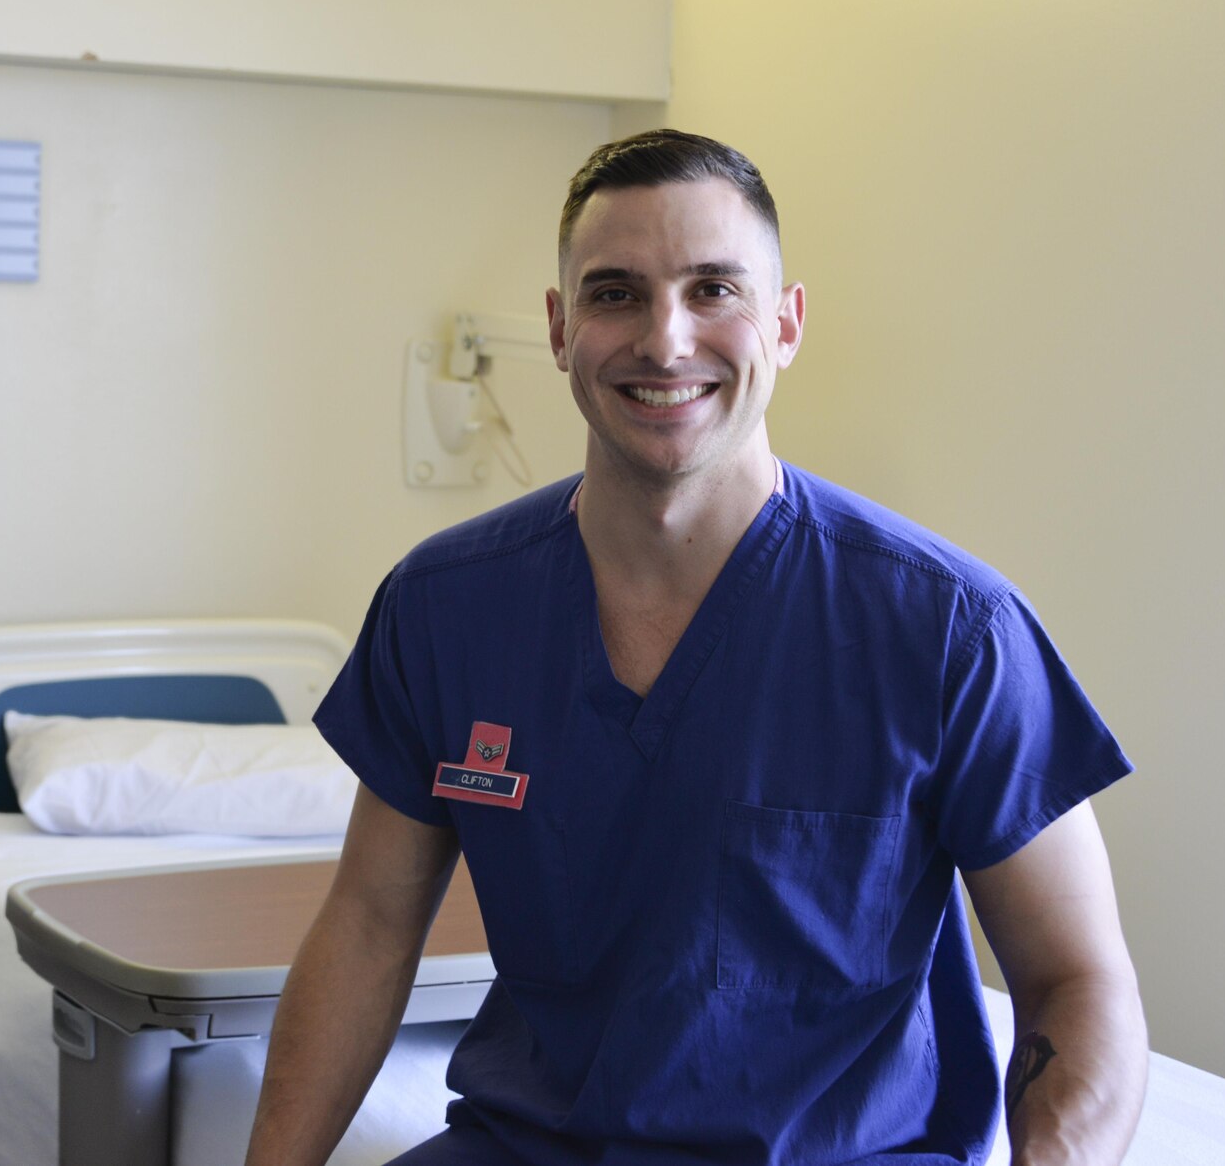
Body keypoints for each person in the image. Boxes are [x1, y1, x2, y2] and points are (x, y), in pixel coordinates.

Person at [244, 130, 1147, 1166]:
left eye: (713, 288)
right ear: (557, 326)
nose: (663, 341)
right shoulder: (444, 608)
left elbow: (1077, 978)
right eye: (614, 292)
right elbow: (365, 926)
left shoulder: (946, 629)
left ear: (785, 320)